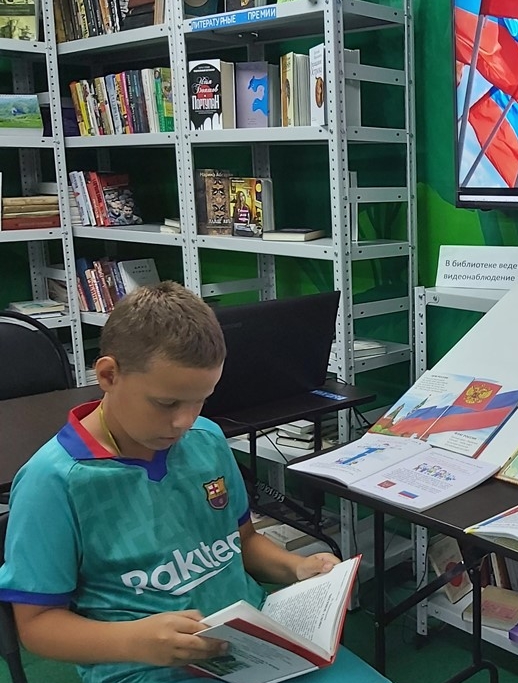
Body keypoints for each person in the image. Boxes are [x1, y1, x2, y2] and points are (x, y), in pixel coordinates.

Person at [0, 282, 341, 683]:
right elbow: (37, 625)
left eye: (201, 399)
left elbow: (243, 542)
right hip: (144, 670)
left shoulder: (207, 439)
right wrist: (134, 642)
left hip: (253, 651)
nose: (184, 421)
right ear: (108, 375)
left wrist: (296, 567)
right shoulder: (53, 482)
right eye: (166, 403)